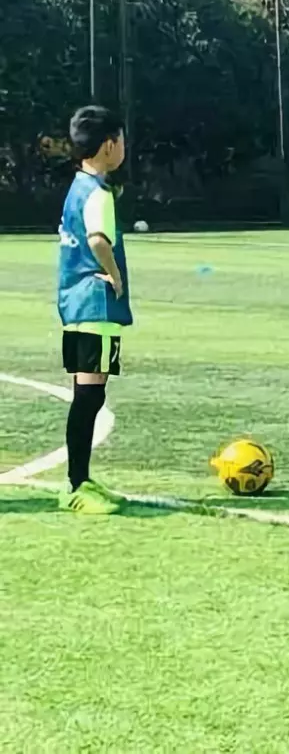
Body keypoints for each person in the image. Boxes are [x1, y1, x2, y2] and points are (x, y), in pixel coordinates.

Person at [56, 106, 132, 514]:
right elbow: (98, 239)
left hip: (75, 301)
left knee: (88, 394)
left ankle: (81, 479)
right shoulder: (99, 193)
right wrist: (115, 276)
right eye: (121, 140)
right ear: (108, 145)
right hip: (94, 303)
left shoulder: (79, 185)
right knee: (89, 395)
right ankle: (75, 485)